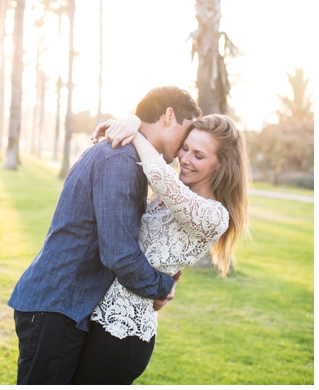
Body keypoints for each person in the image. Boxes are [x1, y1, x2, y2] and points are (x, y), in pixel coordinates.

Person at [7, 86, 201, 384]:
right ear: (169, 116)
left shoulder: (126, 156)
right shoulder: (120, 161)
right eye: (185, 134)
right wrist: (162, 286)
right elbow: (119, 254)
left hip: (62, 306)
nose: (183, 148)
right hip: (57, 307)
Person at [72, 112, 249, 384]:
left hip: (123, 333)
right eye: (185, 148)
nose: (185, 159)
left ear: (220, 165)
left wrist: (135, 129)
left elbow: (158, 174)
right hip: (100, 319)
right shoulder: (171, 198)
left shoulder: (215, 215)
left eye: (198, 155)